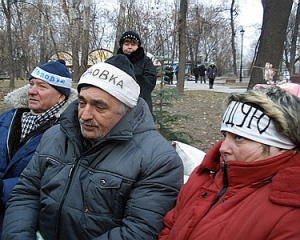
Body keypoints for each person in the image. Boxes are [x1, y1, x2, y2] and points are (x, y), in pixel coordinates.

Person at [2, 54, 183, 239]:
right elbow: (26, 192)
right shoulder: (55, 136)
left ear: (126, 109)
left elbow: (139, 231)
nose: (84, 115)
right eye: (82, 102)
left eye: (99, 107)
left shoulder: (159, 160)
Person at [159, 86, 300, 239]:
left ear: (280, 145)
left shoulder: (290, 209)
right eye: (225, 135)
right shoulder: (205, 175)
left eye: (239, 138)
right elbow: (171, 225)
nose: (223, 148)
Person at [0, 59, 76, 237]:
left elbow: (55, 180)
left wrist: (4, 189)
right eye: (31, 84)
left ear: (61, 96)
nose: (31, 91)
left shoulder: (69, 131)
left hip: (28, 219)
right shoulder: (7, 119)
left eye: (42, 86)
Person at [117, 30, 157, 116]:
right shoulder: (115, 61)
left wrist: (129, 83)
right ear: (122, 45)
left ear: (138, 46)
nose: (130, 47)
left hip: (140, 103)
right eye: (126, 44)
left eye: (133, 44)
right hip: (117, 103)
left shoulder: (146, 61)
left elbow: (150, 81)